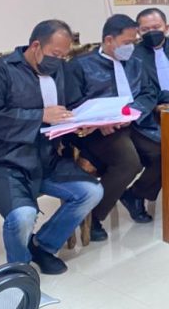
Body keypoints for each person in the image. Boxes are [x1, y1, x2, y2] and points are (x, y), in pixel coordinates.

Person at [0, 20, 103, 275]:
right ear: (35, 46)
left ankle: (42, 246)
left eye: (64, 56)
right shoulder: (0, 71)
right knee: (22, 215)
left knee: (91, 191)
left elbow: (72, 105)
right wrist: (40, 115)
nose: (60, 61)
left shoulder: (59, 70)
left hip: (46, 158)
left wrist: (82, 123)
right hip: (3, 162)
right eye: (55, 54)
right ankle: (20, 271)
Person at [65, 14, 161, 241]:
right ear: (109, 40)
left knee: (165, 151)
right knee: (128, 162)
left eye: (134, 42)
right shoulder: (80, 66)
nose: (131, 47)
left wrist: (133, 111)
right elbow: (72, 104)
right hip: (98, 131)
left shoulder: (136, 63)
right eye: (127, 42)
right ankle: (93, 216)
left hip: (134, 123)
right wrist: (100, 121)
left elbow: (149, 92)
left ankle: (135, 195)